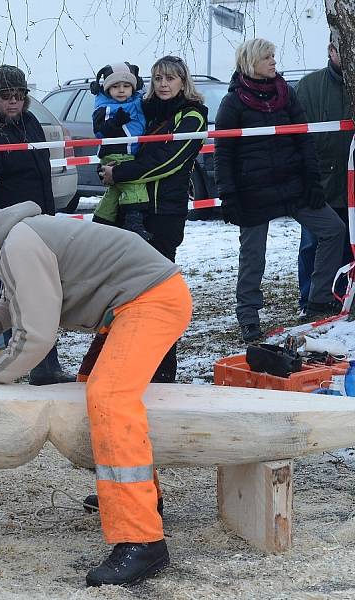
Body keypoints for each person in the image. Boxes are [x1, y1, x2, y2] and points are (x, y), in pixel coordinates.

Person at [0, 202, 192, 587]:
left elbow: (37, 334)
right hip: (128, 305)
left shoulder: (19, 243)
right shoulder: (15, 240)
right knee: (87, 388)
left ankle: (140, 540)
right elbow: (20, 293)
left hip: (151, 300)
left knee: (109, 399)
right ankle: (137, 496)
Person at [215, 39, 346, 342]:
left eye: (273, 56)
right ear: (251, 62)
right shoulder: (232, 102)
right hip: (253, 193)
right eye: (267, 57)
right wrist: (229, 196)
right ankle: (248, 316)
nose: (274, 61)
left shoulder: (287, 94)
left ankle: (318, 299)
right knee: (253, 257)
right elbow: (223, 154)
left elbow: (303, 140)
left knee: (333, 230)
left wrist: (312, 182)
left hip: (293, 187)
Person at [96, 55, 207, 383]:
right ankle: (125, 364)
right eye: (158, 78)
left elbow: (168, 161)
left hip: (163, 215)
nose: (163, 84)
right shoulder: (142, 108)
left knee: (158, 296)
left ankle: (162, 370)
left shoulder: (193, 115)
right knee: (124, 293)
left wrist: (120, 173)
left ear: (183, 81)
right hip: (128, 211)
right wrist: (107, 158)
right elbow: (114, 138)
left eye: (170, 78)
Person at [0, 64, 73, 384]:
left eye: (19, 96)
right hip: (5, 230)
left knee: (44, 296)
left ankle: (46, 364)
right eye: (6, 97)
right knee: (14, 299)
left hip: (40, 223)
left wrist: (50, 219)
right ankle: (10, 363)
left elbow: (43, 174)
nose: (13, 102)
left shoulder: (31, 123)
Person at [295, 37, 354, 313]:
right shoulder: (309, 86)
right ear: (331, 51)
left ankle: (344, 296)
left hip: (350, 182)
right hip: (320, 181)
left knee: (348, 245)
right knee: (312, 244)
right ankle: (309, 298)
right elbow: (298, 136)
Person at [91, 62, 150, 239]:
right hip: (116, 153)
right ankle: (134, 225)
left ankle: (101, 221)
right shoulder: (104, 107)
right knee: (134, 185)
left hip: (130, 151)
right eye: (115, 86)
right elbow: (99, 131)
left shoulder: (137, 102)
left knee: (115, 191)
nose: (121, 90)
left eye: (126, 86)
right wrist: (115, 122)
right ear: (107, 89)